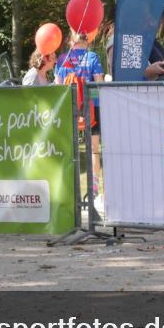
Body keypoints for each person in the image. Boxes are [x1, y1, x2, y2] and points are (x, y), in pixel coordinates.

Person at [56, 30, 105, 201]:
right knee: (94, 150)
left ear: (71, 42)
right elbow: (98, 83)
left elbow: (58, 86)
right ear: (87, 41)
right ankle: (94, 190)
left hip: (68, 108)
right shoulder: (93, 57)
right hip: (92, 108)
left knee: (68, 149)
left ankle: (69, 189)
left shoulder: (62, 59)